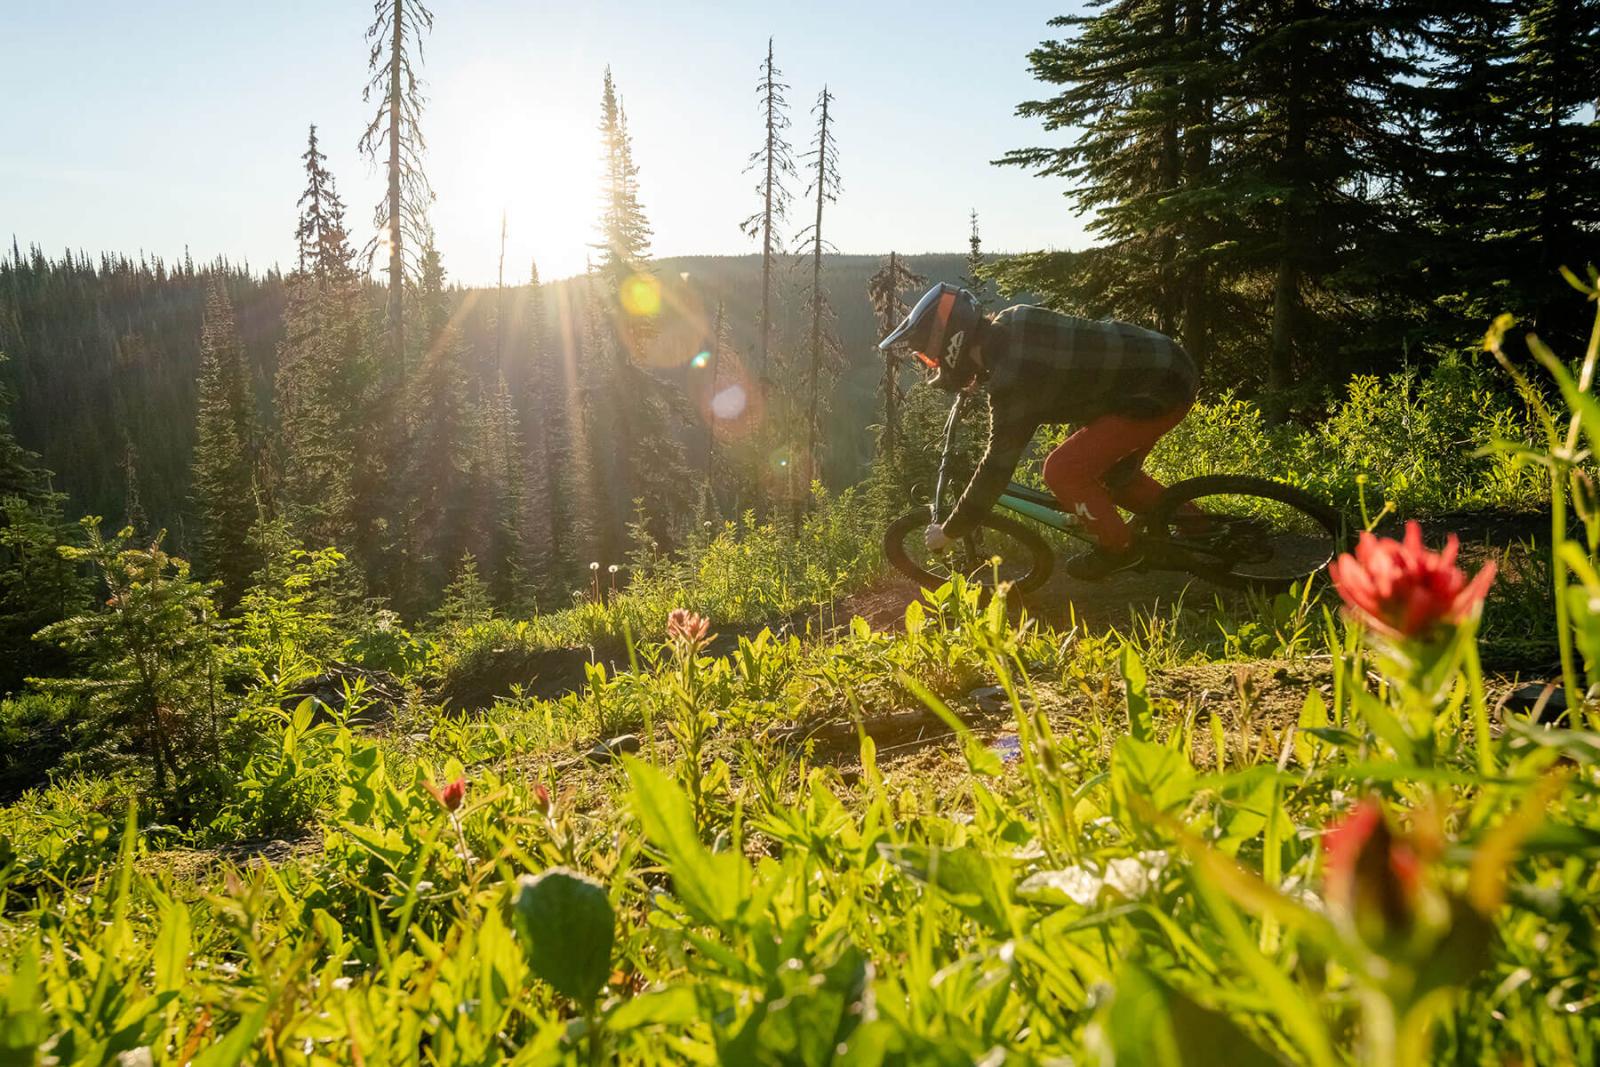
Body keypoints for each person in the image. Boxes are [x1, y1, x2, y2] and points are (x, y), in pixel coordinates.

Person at [879, 283, 1199, 581]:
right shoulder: (1013, 320)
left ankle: (1121, 549)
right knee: (1110, 475)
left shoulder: (1011, 379)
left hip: (1157, 390)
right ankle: (1201, 528)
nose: (933, 367)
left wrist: (950, 531)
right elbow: (1075, 371)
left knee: (1063, 471)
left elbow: (996, 468)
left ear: (952, 343)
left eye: (929, 358)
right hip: (1165, 364)